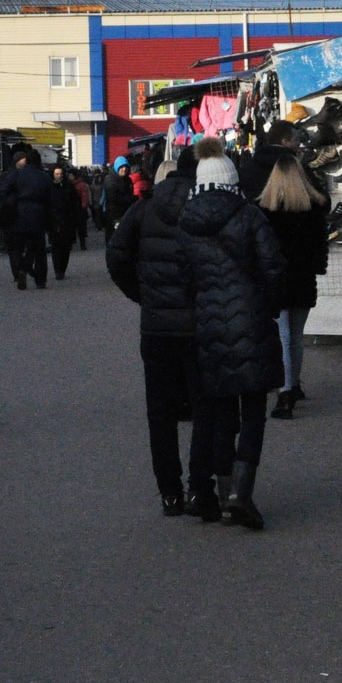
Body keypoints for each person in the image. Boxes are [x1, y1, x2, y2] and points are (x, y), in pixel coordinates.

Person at [177, 137, 286, 530]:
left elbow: (184, 277)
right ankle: (242, 492)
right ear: (231, 179)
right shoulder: (250, 215)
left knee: (222, 411)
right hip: (251, 318)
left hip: (208, 323)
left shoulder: (186, 222)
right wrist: (271, 305)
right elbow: (273, 266)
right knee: (254, 408)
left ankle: (225, 497)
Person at [107, 152, 213, 518]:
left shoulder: (144, 207)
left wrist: (142, 294)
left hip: (156, 326)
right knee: (205, 409)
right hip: (200, 325)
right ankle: (200, 488)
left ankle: (169, 492)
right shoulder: (206, 207)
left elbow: (116, 255)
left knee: (161, 413)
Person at [258, 154, 329, 420]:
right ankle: (294, 384)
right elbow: (321, 246)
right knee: (296, 336)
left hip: (277, 279)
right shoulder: (314, 206)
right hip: (304, 278)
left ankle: (286, 392)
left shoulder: (266, 209)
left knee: (283, 336)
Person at [1, 147, 53, 289]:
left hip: (19, 215)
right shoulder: (44, 177)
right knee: (38, 249)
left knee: (18, 247)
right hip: (38, 216)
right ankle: (40, 280)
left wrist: (12, 203)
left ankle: (22, 270)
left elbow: (3, 191)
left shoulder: (17, 175)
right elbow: (51, 200)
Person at [240, 120, 301, 201]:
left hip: (257, 211)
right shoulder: (294, 167)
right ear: (285, 142)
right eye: (296, 139)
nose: (299, 143)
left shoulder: (248, 167)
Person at [47, 164, 84, 280]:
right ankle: (58, 270)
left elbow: (75, 202)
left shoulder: (69, 186)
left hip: (68, 221)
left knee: (66, 247)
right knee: (56, 246)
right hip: (53, 222)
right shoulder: (49, 187)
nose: (59, 176)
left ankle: (62, 269)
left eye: (61, 174)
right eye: (57, 174)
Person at [101, 156, 136, 243]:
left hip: (126, 214)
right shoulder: (110, 179)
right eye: (121, 167)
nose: (124, 169)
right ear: (117, 167)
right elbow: (113, 198)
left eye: (126, 167)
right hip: (114, 216)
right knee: (114, 239)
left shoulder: (128, 180)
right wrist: (131, 199)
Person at [72, 170, 91, 251]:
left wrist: (83, 206)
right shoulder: (69, 184)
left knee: (80, 228)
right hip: (73, 209)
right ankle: (74, 242)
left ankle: (82, 243)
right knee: (74, 228)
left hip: (79, 209)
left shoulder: (80, 185)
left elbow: (84, 196)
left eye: (71, 175)